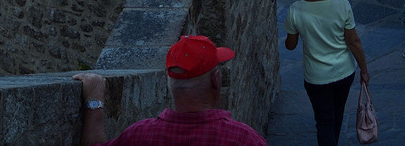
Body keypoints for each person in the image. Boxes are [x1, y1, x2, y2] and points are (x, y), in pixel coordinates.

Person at [73, 36, 266, 146]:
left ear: (169, 83)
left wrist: (95, 101)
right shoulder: (243, 139)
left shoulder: (140, 136)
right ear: (215, 81)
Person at [284, 0, 370, 146]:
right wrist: (364, 70)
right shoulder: (342, 5)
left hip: (316, 77)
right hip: (343, 72)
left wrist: (298, 30)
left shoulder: (296, 10)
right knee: (337, 114)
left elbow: (290, 46)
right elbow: (354, 41)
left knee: (324, 120)